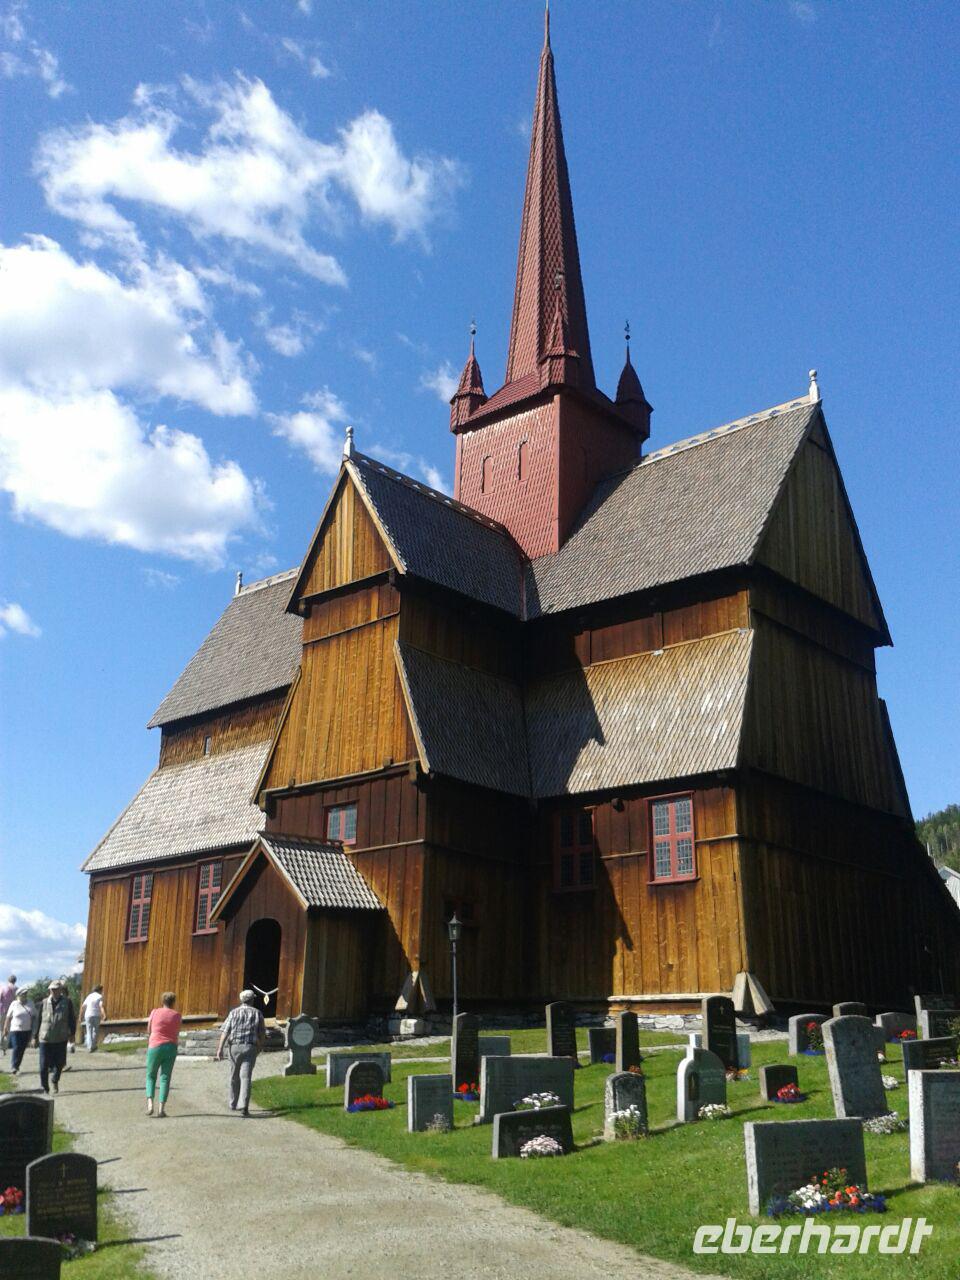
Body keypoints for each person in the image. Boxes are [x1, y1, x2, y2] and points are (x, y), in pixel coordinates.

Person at [215, 990, 265, 1117]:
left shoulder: (233, 1013)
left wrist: (220, 1048)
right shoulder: (257, 1013)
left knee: (234, 1075)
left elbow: (225, 1031)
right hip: (250, 1047)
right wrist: (260, 1047)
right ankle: (244, 1106)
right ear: (251, 1000)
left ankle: (233, 1103)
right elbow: (262, 1033)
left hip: (235, 1047)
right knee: (246, 1077)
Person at [35, 980, 76, 1094]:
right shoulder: (43, 1002)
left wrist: (72, 1034)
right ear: (49, 990)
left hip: (60, 1037)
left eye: (56, 989)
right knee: (43, 1065)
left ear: (60, 990)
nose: (54, 991)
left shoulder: (67, 1002)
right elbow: (38, 1020)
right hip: (45, 1037)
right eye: (52, 989)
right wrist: (34, 1036)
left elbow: (72, 1019)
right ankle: (45, 1088)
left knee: (60, 1063)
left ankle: (55, 1079)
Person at [144, 991, 182, 1118]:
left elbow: (149, 1029)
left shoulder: (154, 1012)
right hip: (171, 1047)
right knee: (165, 1077)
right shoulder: (177, 1015)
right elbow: (177, 1031)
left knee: (151, 1075)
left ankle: (150, 1104)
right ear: (173, 1002)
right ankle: (161, 1109)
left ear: (162, 1001)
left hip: (155, 1045)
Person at [2, 987, 35, 1074]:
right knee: (16, 1047)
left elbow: (34, 1016)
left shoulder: (31, 1003)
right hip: (15, 1030)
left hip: (27, 1030)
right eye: (23, 994)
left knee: (22, 1049)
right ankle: (14, 1066)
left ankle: (17, 1065)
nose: (25, 995)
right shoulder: (14, 1004)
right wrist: (5, 1028)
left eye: (26, 993)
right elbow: (8, 1017)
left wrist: (33, 1030)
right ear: (19, 995)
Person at [79, 985, 106, 1053]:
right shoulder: (100, 996)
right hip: (96, 1015)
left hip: (88, 1015)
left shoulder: (89, 996)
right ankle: (93, 1046)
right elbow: (101, 1006)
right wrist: (104, 1015)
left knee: (89, 1031)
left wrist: (80, 1016)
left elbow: (83, 1006)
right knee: (95, 1031)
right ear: (100, 990)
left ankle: (90, 1047)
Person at [0, 975, 15, 1058]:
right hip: (12, 1013)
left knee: (1, 1029)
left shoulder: (3, 988)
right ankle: (4, 1048)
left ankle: (1, 1045)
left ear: (8, 980)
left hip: (2, 1011)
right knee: (7, 1030)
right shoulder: (16, 988)